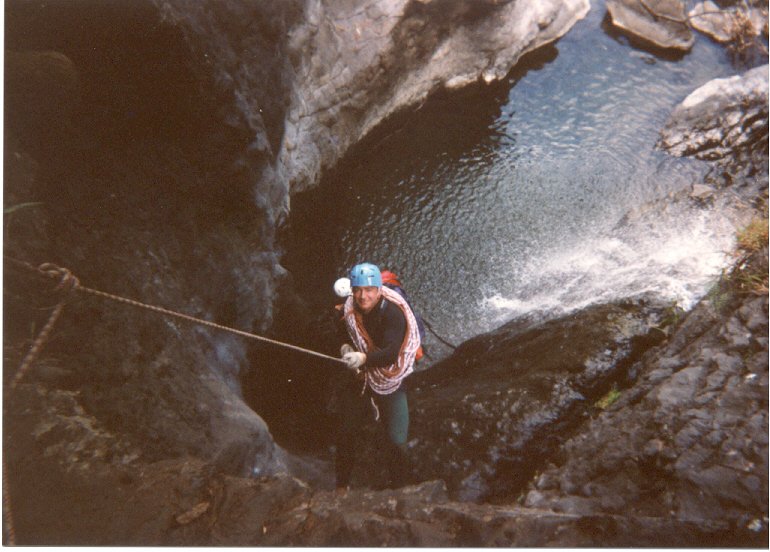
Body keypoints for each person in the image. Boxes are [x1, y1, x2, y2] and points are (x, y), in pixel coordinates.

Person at [334, 262, 421, 491]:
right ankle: (341, 486)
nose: (363, 296)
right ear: (352, 290)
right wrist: (344, 348)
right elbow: (341, 332)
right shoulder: (349, 309)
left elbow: (392, 354)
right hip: (361, 378)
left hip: (390, 381)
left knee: (396, 439)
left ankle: (399, 489)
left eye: (369, 290)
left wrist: (363, 359)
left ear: (379, 290)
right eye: (358, 290)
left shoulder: (393, 314)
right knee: (345, 433)